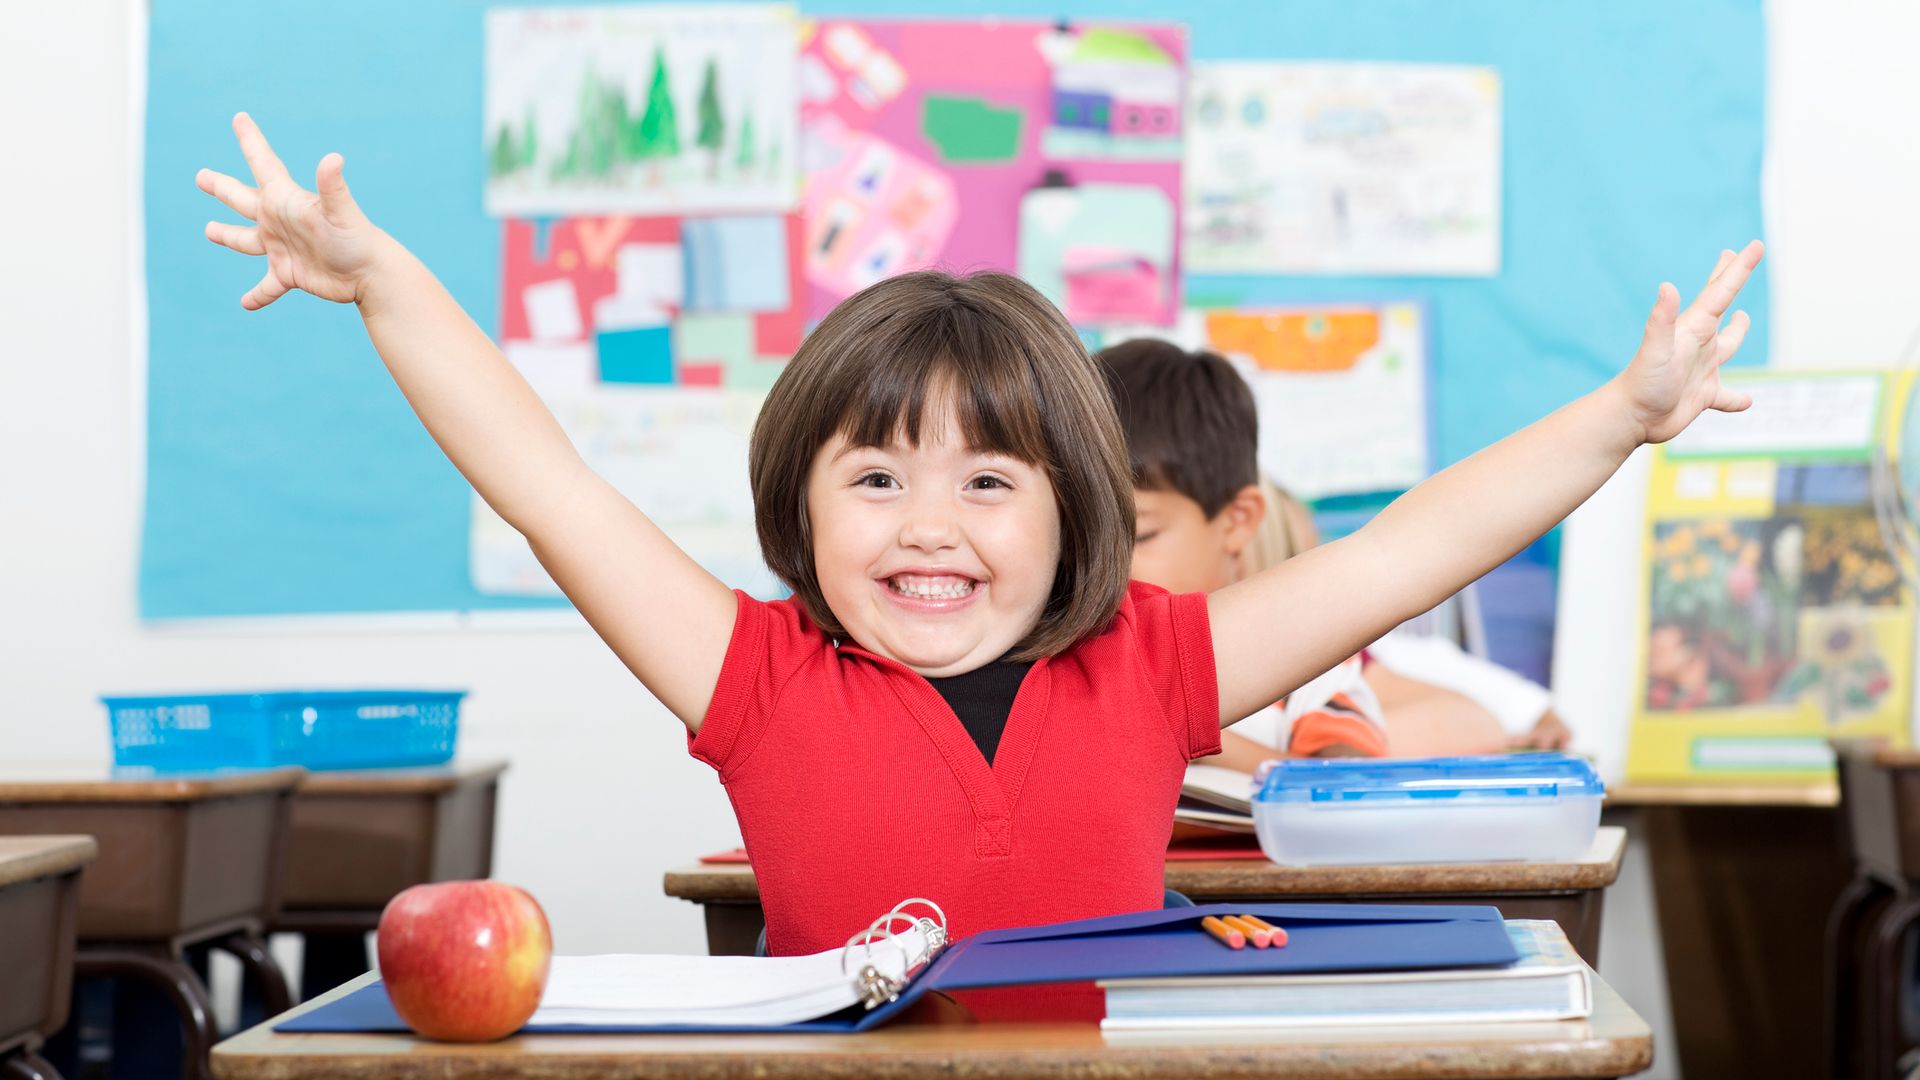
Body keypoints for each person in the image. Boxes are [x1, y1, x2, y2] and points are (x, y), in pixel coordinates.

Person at [195, 113, 1760, 953]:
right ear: (798, 511)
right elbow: (551, 484)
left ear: (1074, 514)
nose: (927, 527)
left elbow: (1411, 547)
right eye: (875, 479)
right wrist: (388, 287)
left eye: (989, 483)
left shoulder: (1155, 662)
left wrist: (1622, 418)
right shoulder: (752, 673)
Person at [1100, 340, 1505, 766]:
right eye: (1080, 536)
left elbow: (1344, 769)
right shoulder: (1072, 653)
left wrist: (1189, 740)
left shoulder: (1300, 658)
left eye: (1141, 535)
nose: (1103, 565)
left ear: (1237, 523)